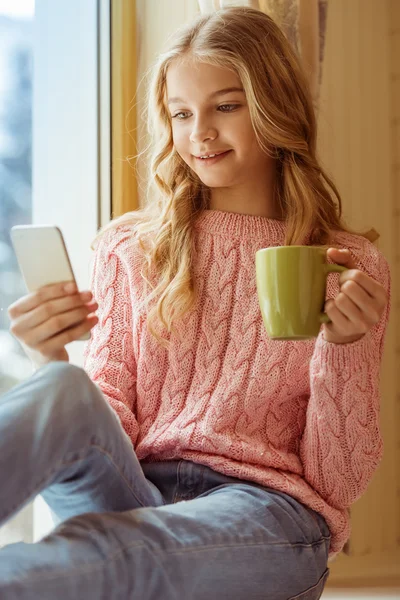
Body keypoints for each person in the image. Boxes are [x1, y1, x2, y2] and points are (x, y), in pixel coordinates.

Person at [2, 6, 390, 600]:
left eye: (225, 107)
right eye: (182, 114)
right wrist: (51, 355)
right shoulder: (129, 247)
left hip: (267, 514)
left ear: (274, 105)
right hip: (137, 490)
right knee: (63, 390)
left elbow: (339, 480)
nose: (199, 133)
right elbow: (108, 416)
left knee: (125, 554)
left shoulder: (347, 265)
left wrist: (344, 349)